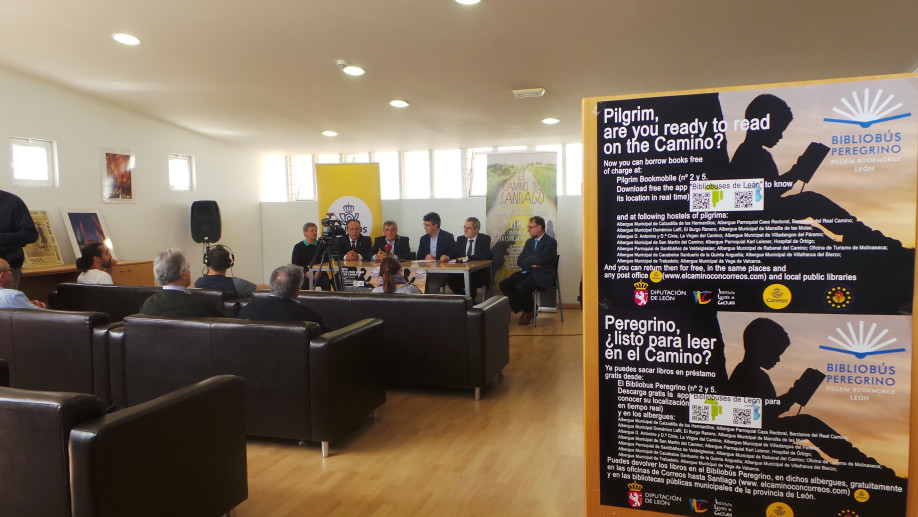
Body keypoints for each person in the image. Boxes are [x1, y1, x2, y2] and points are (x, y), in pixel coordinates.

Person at [728, 318, 895, 475]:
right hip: (755, 439)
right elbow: (764, 415)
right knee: (807, 423)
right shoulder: (749, 375)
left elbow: (766, 411)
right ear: (761, 347)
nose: (778, 359)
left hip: (759, 436)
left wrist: (793, 395)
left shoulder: (749, 373)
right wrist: (794, 395)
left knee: (808, 428)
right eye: (776, 353)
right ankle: (860, 463)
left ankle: (858, 463)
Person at [499, 216, 557, 325]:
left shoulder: (550, 242)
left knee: (521, 286)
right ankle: (530, 308)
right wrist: (532, 264)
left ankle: (528, 311)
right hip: (528, 272)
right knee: (504, 284)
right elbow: (520, 261)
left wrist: (529, 260)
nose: (528, 230)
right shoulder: (529, 242)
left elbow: (542, 259)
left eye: (530, 227)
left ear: (539, 227)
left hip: (542, 274)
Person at [238, 264, 329, 332]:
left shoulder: (246, 310)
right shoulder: (307, 315)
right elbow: (328, 338)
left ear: (271, 285)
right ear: (298, 291)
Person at [139, 248, 225, 317]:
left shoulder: (148, 304)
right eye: (188, 269)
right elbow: (231, 328)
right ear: (183, 274)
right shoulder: (203, 305)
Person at [0, 190, 39, 289]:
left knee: (7, 303)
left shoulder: (13, 202)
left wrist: (3, 238)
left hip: (8, 266)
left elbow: (30, 234)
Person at [447, 217, 492, 300]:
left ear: (476, 229)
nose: (465, 230)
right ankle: (467, 302)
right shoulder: (460, 239)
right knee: (451, 280)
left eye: (468, 228)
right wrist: (447, 257)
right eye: (464, 227)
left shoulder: (484, 239)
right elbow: (454, 253)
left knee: (471, 282)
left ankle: (467, 303)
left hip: (478, 272)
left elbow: (485, 255)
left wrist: (468, 258)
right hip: (463, 271)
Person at [194, 245, 259, 298]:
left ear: (207, 263)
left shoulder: (198, 283)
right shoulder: (237, 284)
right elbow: (262, 290)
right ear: (229, 264)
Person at [416, 212, 455, 294]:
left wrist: (441, 258)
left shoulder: (447, 237)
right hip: (425, 271)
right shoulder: (423, 239)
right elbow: (418, 257)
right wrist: (425, 257)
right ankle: (420, 305)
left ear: (435, 226)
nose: (425, 227)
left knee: (432, 286)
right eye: (424, 225)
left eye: (427, 225)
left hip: (441, 272)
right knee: (416, 283)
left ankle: (433, 306)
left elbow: (454, 254)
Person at [291, 222, 332, 291]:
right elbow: (295, 263)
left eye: (316, 230)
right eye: (312, 231)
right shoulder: (298, 247)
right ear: (305, 233)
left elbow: (326, 261)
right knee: (303, 283)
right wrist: (305, 272)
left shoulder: (322, 245)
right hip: (305, 274)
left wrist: (320, 272)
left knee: (326, 281)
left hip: (320, 273)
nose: (315, 233)